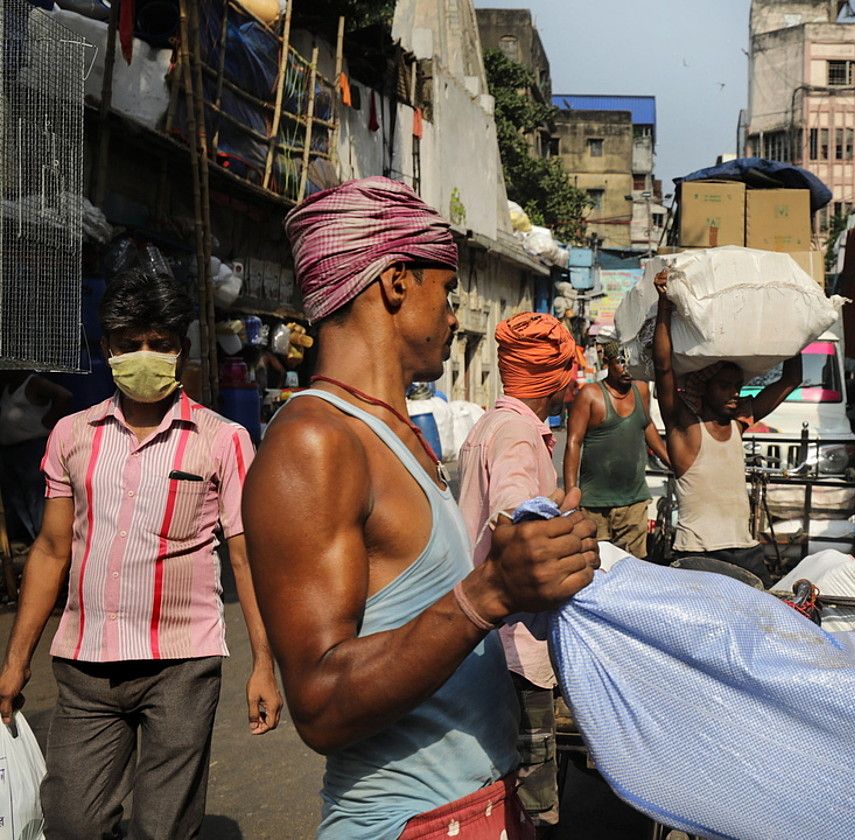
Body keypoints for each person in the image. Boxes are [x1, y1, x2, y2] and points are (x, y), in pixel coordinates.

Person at [245, 177, 598, 840]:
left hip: (474, 808)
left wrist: (536, 574)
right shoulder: (315, 442)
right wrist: (487, 595)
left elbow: (421, 617)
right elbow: (320, 707)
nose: (455, 318)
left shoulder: (401, 436)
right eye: (449, 292)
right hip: (407, 823)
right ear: (396, 282)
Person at [0, 269, 283, 840]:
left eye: (160, 344)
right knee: (72, 821)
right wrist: (15, 659)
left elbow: (247, 557)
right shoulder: (72, 435)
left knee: (163, 828)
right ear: (108, 349)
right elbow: (53, 551)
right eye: (130, 345)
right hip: (85, 666)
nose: (144, 357)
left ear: (181, 348)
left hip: (182, 663)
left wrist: (263, 664)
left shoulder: (223, 439)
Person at [456, 311, 579, 834]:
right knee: (531, 795)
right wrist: (561, 515)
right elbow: (513, 519)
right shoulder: (518, 437)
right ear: (552, 377)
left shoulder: (490, 425)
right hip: (515, 646)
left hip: (484, 639)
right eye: (571, 366)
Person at [651, 269, 802, 586]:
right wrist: (665, 306)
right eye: (724, 386)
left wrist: (797, 323)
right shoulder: (685, 428)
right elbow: (664, 367)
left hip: (746, 552)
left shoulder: (739, 423)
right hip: (699, 555)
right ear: (704, 388)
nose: (735, 393)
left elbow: (791, 380)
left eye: (738, 385)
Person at [563, 341, 669, 559]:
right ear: (607, 363)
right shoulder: (590, 395)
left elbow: (646, 425)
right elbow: (574, 442)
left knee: (634, 565)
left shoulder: (641, 390)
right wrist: (571, 494)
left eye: (631, 363)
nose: (627, 368)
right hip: (594, 504)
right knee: (594, 564)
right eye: (621, 362)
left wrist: (670, 459)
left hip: (633, 501)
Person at [0, 371, 71, 544]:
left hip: (33, 449)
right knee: (17, 499)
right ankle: (30, 541)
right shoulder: (8, 388)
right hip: (11, 451)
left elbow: (65, 396)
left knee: (37, 498)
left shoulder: (33, 383)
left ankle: (45, 540)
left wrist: (47, 422)